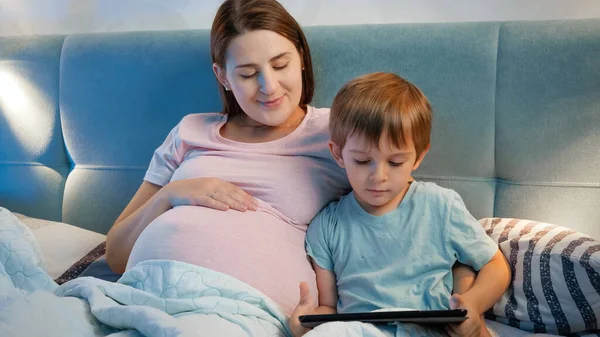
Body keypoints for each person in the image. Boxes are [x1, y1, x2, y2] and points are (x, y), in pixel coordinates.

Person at [105, 0, 350, 315]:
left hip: (246, 314)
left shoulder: (336, 133)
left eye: (280, 65)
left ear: (301, 57)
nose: (269, 86)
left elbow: (399, 211)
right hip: (145, 298)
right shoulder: (189, 132)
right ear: (222, 77)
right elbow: (115, 256)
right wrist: (169, 196)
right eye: (248, 74)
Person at [289, 72, 511, 337]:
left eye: (395, 163)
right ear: (338, 154)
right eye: (361, 161)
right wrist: (304, 322)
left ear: (418, 157)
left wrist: (472, 305)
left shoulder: (439, 205)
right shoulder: (327, 225)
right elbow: (329, 307)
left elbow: (495, 266)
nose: (378, 176)